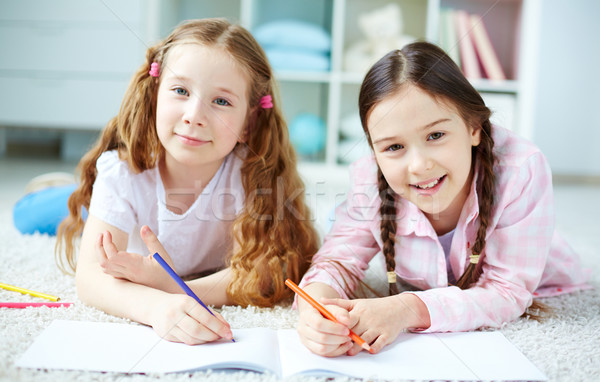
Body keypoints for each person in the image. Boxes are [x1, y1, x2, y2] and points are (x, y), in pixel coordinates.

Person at [295, 42, 591, 357]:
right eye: (393, 147)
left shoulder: (522, 169)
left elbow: (506, 292)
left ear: (474, 127)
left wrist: (406, 308)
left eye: (435, 136)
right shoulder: (369, 178)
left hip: (544, 276)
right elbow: (338, 260)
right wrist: (318, 309)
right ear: (375, 152)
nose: (419, 165)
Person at [55, 19, 319, 345]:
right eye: (181, 91)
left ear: (249, 123)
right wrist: (154, 307)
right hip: (108, 191)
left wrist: (175, 288)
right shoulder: (122, 171)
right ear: (154, 96)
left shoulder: (252, 173)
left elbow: (267, 270)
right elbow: (90, 278)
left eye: (221, 101)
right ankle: (52, 191)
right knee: (41, 210)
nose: (194, 115)